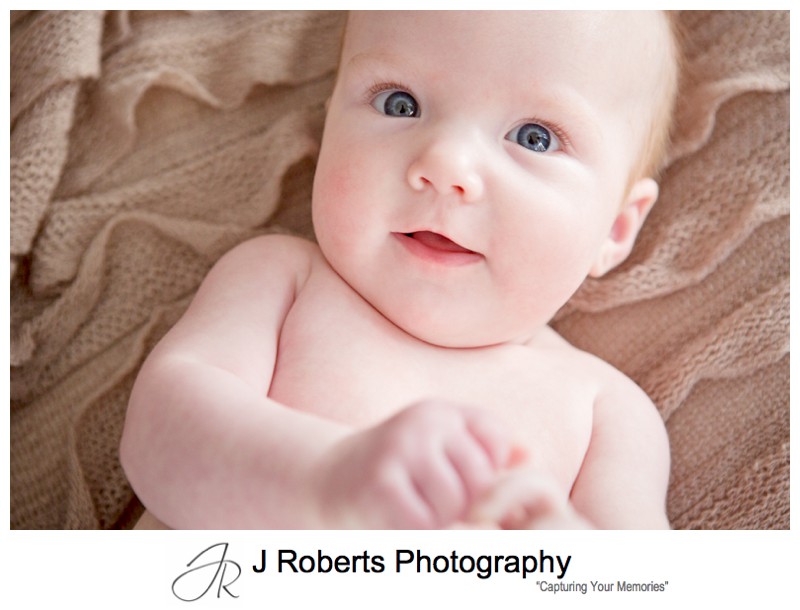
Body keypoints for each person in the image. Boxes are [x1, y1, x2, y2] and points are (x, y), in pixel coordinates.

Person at [120, 10, 680, 529]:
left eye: (534, 138)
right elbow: (157, 435)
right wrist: (324, 482)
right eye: (399, 104)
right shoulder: (280, 281)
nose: (445, 164)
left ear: (615, 228)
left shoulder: (606, 413)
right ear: (328, 127)